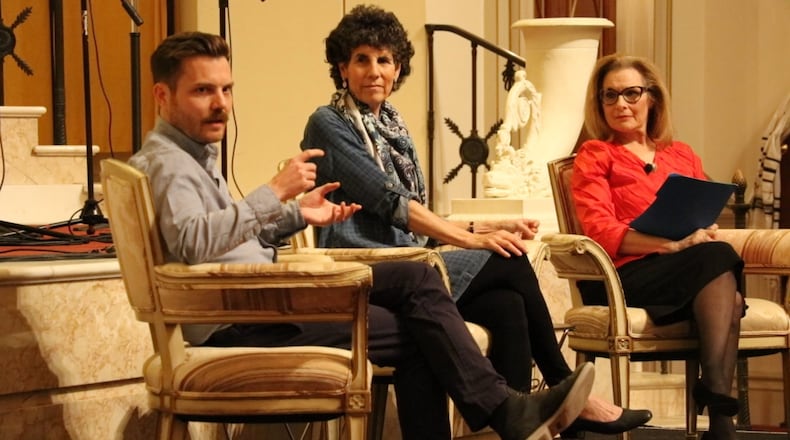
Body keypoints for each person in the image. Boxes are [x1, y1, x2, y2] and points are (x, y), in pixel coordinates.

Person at [128, 30, 595, 440]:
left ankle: (516, 412)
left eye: (226, 89)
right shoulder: (170, 163)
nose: (221, 103)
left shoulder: (190, 155)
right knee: (424, 313)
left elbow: (220, 238)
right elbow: (193, 242)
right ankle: (512, 410)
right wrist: (273, 193)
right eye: (203, 90)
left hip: (258, 303)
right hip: (244, 316)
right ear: (162, 96)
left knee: (460, 299)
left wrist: (294, 215)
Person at [300, 4, 651, 438]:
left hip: (409, 263)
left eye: (384, 60)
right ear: (342, 68)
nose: (374, 71)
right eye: (362, 60)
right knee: (508, 260)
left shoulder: (392, 127)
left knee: (507, 305)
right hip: (365, 266)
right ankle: (563, 388)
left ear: (398, 68)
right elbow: (390, 202)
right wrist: (470, 242)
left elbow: (413, 218)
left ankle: (521, 424)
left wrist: (478, 230)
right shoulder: (329, 122)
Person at [571, 53, 745, 440]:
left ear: (652, 98)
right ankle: (719, 410)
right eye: (610, 95)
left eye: (631, 93)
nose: (621, 104)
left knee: (726, 287)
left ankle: (720, 417)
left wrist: (703, 228)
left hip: (685, 270)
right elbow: (600, 229)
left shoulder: (681, 154)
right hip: (621, 276)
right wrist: (671, 245)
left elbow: (702, 210)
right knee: (720, 264)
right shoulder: (595, 155)